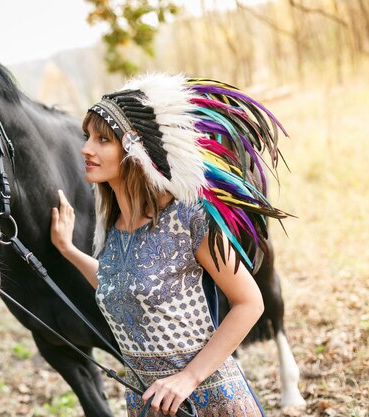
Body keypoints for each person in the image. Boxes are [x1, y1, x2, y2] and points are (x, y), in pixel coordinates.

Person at [50, 73, 287, 417]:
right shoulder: (114, 230)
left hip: (208, 401)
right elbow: (115, 284)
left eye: (102, 139)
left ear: (135, 150)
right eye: (87, 137)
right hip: (148, 406)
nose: (86, 148)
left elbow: (249, 302)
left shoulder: (189, 218)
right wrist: (68, 250)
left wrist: (188, 377)